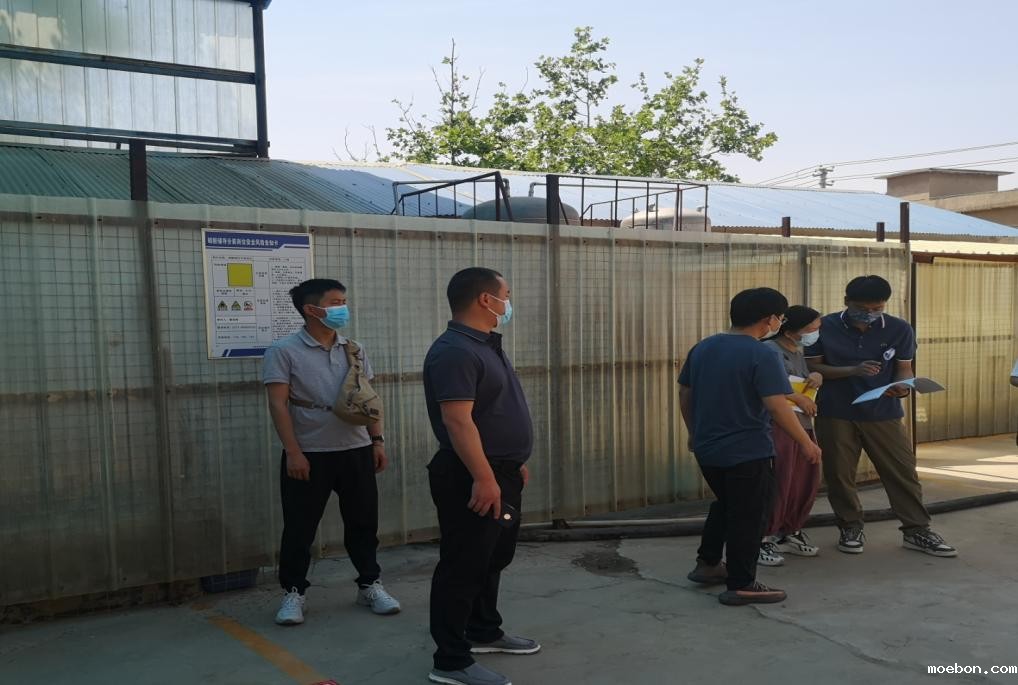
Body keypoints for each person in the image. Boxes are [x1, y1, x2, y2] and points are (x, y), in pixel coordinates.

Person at [423, 267, 540, 685]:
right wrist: (485, 477)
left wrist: (511, 461)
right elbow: (458, 421)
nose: (510, 302)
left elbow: (492, 411)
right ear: (486, 300)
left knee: (492, 558)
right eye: (506, 294)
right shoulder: (456, 351)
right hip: (471, 476)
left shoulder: (485, 344)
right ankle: (451, 661)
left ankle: (483, 630)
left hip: (499, 471)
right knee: (464, 565)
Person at [263, 278, 400, 626]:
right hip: (310, 452)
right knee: (300, 527)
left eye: (343, 301)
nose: (343, 308)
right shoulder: (283, 351)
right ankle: (294, 592)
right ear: (311, 309)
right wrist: (293, 452)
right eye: (335, 302)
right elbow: (278, 405)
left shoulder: (353, 349)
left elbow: (368, 399)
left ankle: (369, 584)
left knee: (363, 522)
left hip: (356, 449)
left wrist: (377, 440)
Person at [680, 287, 822, 606]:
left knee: (726, 504)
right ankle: (742, 583)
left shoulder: (704, 347)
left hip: (708, 446)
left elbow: (685, 393)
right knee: (749, 515)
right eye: (780, 317)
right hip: (748, 449)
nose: (779, 323)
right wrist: (805, 443)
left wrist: (693, 432)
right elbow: (776, 406)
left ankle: (708, 564)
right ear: (769, 320)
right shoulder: (762, 354)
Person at [805, 275, 957, 557]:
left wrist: (902, 387)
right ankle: (850, 526)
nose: (870, 314)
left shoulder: (899, 329)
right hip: (836, 412)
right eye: (862, 308)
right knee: (839, 473)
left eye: (877, 308)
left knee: (902, 471)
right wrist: (852, 371)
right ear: (846, 302)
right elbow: (813, 367)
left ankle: (917, 529)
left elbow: (903, 368)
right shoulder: (824, 327)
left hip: (883, 412)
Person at [758, 306, 825, 568]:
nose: (815, 333)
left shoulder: (798, 351)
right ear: (789, 330)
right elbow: (768, 386)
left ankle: (788, 529)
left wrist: (816, 376)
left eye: (817, 327)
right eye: (811, 328)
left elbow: (800, 380)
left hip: (802, 423)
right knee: (780, 479)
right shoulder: (769, 350)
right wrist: (795, 396)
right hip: (780, 425)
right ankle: (763, 536)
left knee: (803, 479)